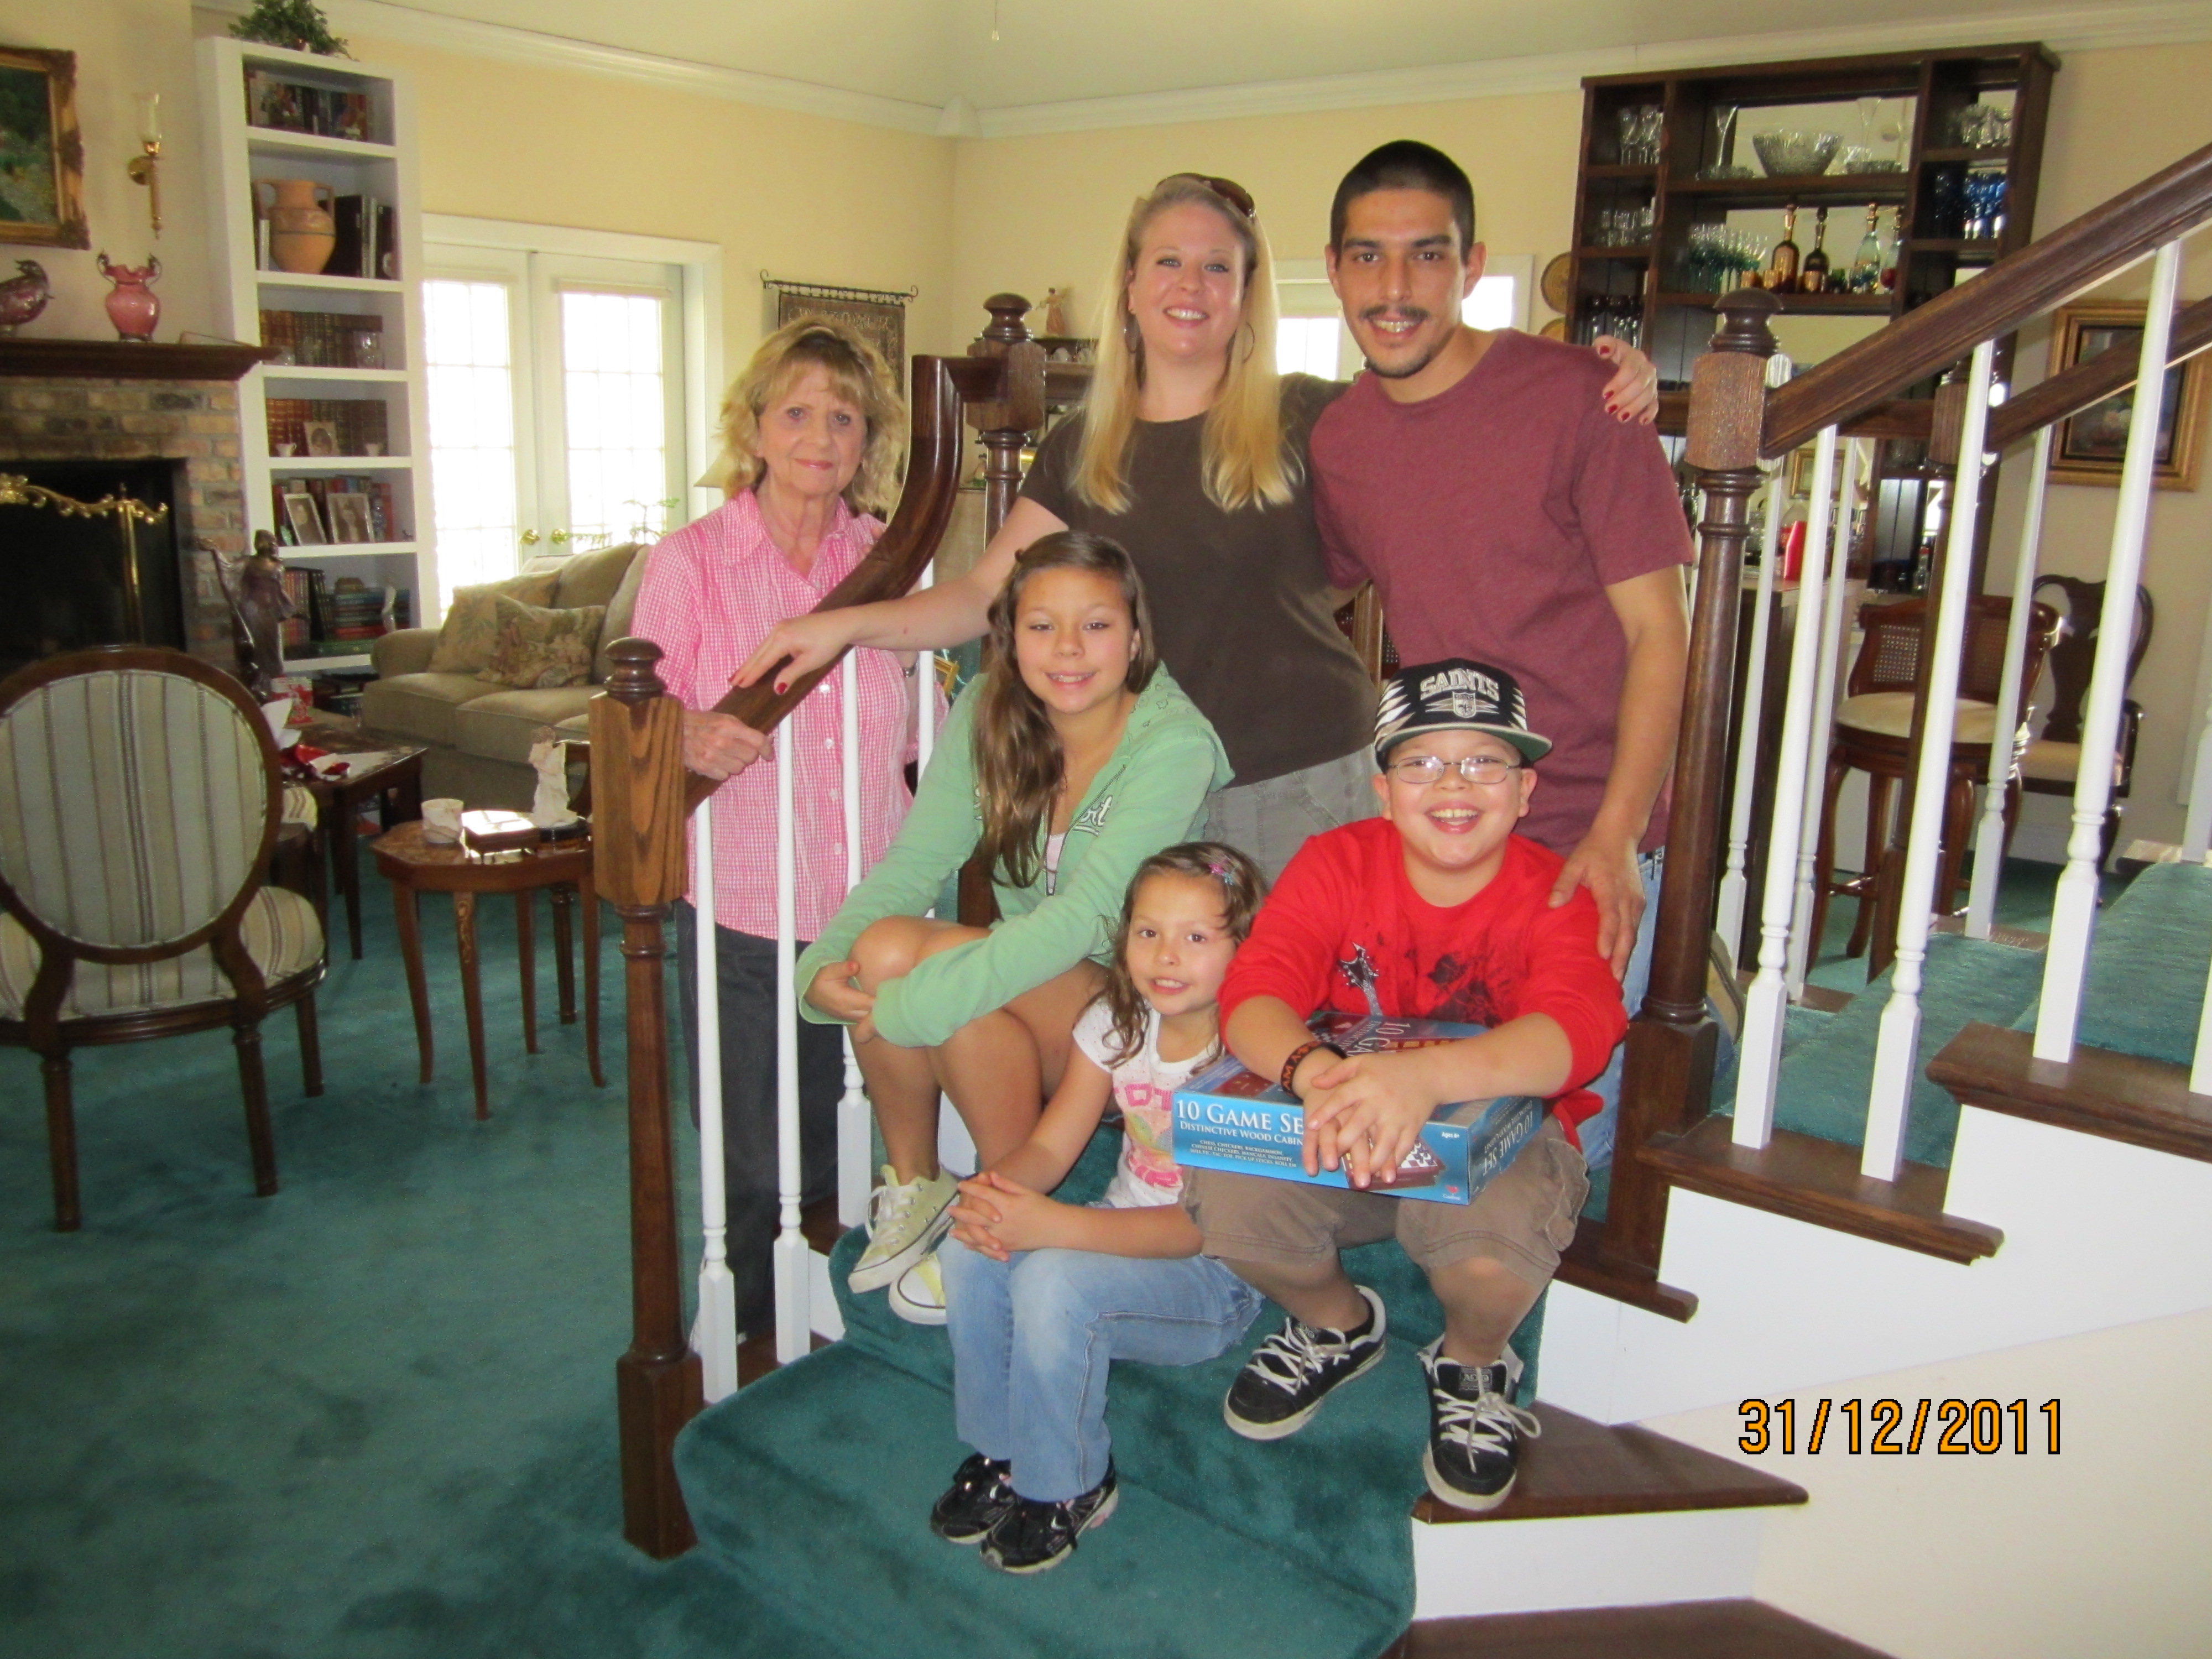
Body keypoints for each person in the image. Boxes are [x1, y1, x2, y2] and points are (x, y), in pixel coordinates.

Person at [736, 173, 1660, 882]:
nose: (1192, 285)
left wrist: (1604, 378)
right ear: (1131, 286)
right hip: (1146, 789)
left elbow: (1448, 405)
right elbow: (985, 594)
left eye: (1219, 266)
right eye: (1168, 262)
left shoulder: (1312, 415)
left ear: (1247, 293)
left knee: (1297, 1029)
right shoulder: (1081, 445)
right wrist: (844, 625)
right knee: (1164, 1036)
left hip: (1303, 782)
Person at [1309, 140, 1695, 1168]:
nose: (1395, 289)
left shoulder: (1584, 398)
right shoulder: (1340, 439)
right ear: (1335, 269)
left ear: (1472, 266)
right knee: (1455, 1142)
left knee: (1562, 1149)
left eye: (1427, 256)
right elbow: (1317, 587)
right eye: (1368, 257)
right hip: (1452, 832)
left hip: (1586, 835)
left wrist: (1617, 836)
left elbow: (1660, 632)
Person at [1185, 659, 1625, 1511]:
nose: (1453, 785)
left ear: (1525, 790)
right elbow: (1255, 993)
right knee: (1225, 1192)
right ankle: (1338, 1323)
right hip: (1346, 1126)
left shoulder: (1557, 890)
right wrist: (1314, 1072)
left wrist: (1422, 1076)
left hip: (1500, 1144)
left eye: (1484, 762)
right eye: (1422, 763)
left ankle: (1474, 1361)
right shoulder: (1336, 861)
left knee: (1488, 1257)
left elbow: (1578, 1032)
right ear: (1383, 791)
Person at [794, 533, 1231, 1323]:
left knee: (915, 969)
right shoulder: (987, 711)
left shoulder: (1174, 743)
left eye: (1096, 625)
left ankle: (1003, 1216)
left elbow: (1089, 917)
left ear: (1136, 637)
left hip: (1134, 1018)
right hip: (1036, 995)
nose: (1068, 650)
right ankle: (943, 1192)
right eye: (1041, 626)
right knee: (904, 965)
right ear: (1010, 637)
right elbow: (915, 863)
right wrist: (821, 964)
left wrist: (908, 1004)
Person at [629, 316, 915, 1345]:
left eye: (843, 417)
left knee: (855, 1134)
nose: (819, 437)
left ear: (867, 438)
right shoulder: (692, 563)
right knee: (754, 1154)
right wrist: (684, 731)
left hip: (875, 912)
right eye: (796, 413)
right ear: (753, 430)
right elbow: (630, 718)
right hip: (746, 910)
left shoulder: (886, 561)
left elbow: (919, 724)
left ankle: (838, 1329)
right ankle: (747, 1339)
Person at [930, 843, 1269, 1574]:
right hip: (1114, 1239)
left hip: (1214, 1280)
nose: (1166, 955)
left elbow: (1197, 1230)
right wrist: (995, 1194)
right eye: (1148, 932)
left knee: (1052, 1278)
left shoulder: (1249, 1060)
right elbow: (1051, 1149)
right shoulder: (1118, 1022)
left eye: (1196, 936)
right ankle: (1001, 1451)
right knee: (969, 1248)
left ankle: (1069, 1482)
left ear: (1245, 949)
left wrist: (1055, 1227)